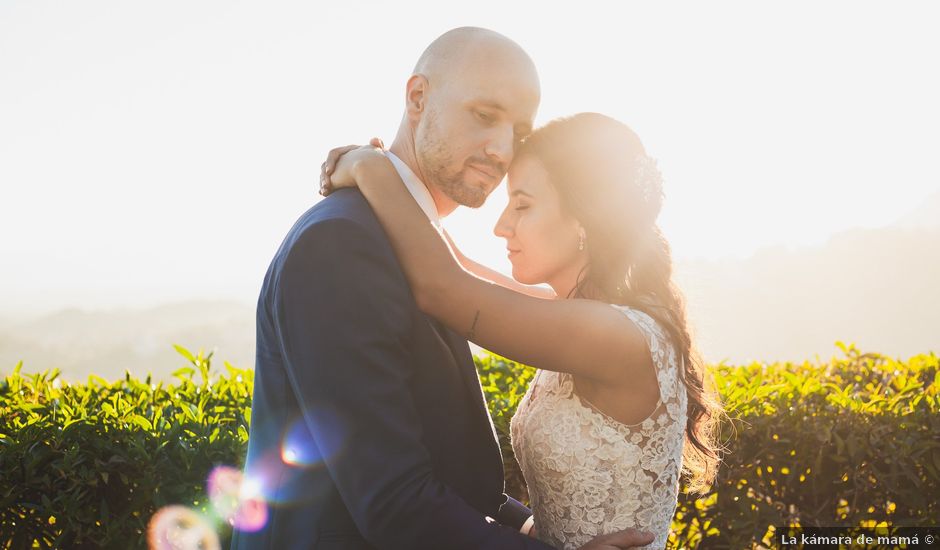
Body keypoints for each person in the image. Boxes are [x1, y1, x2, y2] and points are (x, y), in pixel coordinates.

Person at [232, 27, 654, 550]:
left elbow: (452, 475)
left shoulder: (415, 250)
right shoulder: (341, 243)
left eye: (518, 132)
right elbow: (395, 504)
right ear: (417, 98)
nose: (501, 150)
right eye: (484, 115)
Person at [318, 112, 724, 549]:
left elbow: (442, 286)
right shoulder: (578, 315)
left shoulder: (614, 335)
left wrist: (367, 167)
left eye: (523, 205)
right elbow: (457, 267)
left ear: (585, 220)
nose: (500, 226)